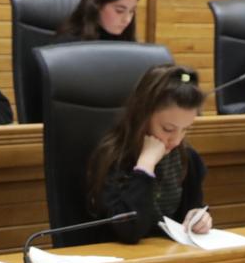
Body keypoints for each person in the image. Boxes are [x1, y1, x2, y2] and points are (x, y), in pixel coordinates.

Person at [88, 65, 208, 244]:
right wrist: (145, 166)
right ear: (143, 115)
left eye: (185, 130)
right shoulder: (113, 157)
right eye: (168, 129)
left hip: (168, 256)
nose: (176, 140)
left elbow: (191, 211)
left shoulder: (187, 157)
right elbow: (128, 231)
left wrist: (199, 218)